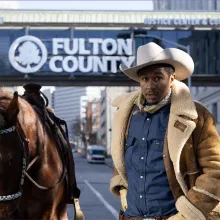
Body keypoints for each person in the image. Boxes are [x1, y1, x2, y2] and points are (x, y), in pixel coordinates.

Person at [110, 42, 220, 220]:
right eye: (145, 79)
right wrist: (122, 189)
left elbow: (215, 172)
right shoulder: (126, 116)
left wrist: (186, 214)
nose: (150, 85)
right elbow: (120, 157)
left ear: (172, 78)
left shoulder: (196, 116)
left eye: (157, 78)